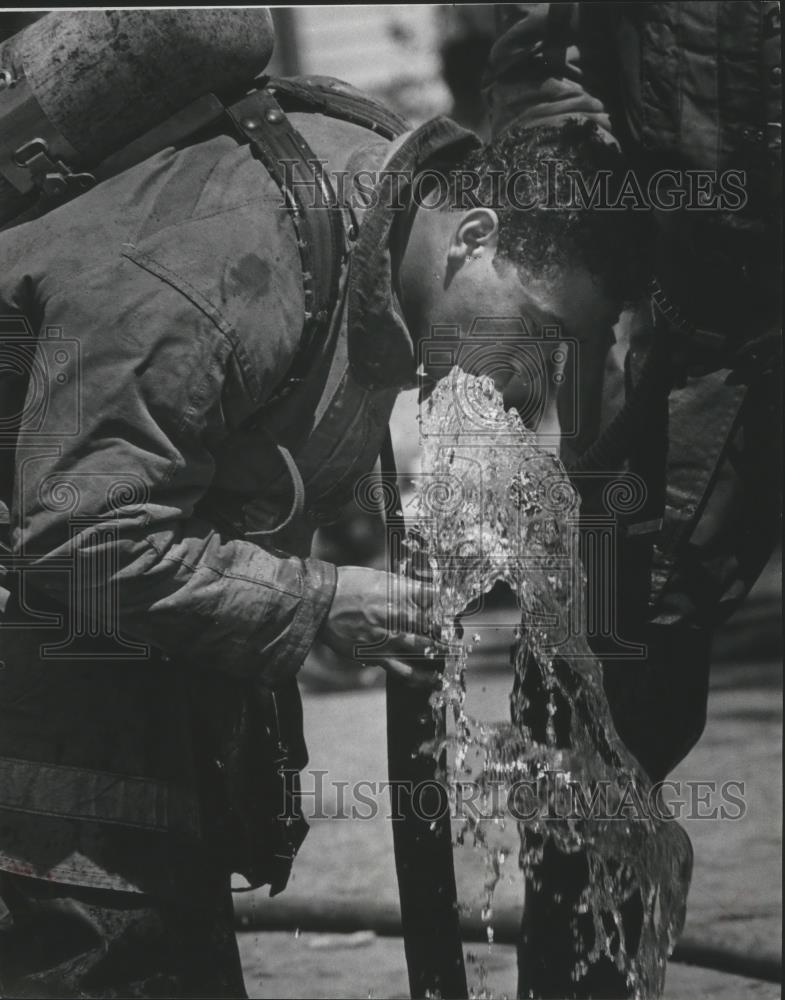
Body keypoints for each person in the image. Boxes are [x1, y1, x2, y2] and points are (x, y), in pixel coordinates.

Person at [0, 57, 651, 998]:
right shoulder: (215, 271)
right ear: (473, 236)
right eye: (539, 331)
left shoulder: (370, 233)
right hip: (44, 738)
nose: (532, 375)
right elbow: (78, 540)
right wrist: (320, 601)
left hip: (105, 715)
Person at [482, 4, 781, 997]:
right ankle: (586, 972)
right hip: (705, 323)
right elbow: (543, 70)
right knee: (585, 662)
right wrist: (571, 239)